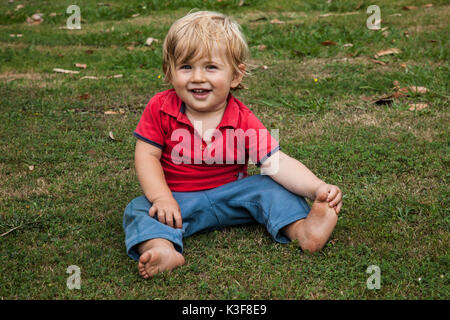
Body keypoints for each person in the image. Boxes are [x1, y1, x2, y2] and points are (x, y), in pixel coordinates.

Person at [123, 10, 343, 279]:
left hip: (235, 197)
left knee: (270, 185)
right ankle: (163, 248)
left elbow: (276, 162)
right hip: (178, 202)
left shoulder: (242, 118)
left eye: (211, 67)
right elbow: (146, 155)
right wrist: (161, 198)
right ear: (169, 72)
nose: (197, 77)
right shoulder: (160, 108)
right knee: (138, 208)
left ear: (235, 76)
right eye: (186, 67)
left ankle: (302, 230)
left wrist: (317, 188)